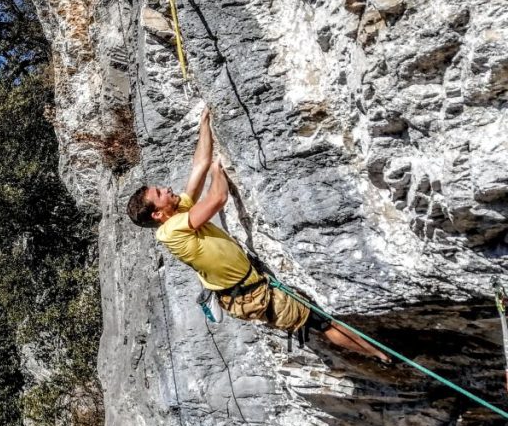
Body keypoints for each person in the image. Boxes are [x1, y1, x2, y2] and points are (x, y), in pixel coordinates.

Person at [126, 106, 390, 362]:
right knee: (320, 322)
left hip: (246, 285)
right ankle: (380, 356)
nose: (166, 188)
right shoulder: (171, 230)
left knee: (318, 320)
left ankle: (375, 353)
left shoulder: (178, 211)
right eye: (159, 194)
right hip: (252, 296)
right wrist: (220, 171)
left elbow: (200, 165)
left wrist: (205, 123)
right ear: (157, 214)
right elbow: (217, 198)